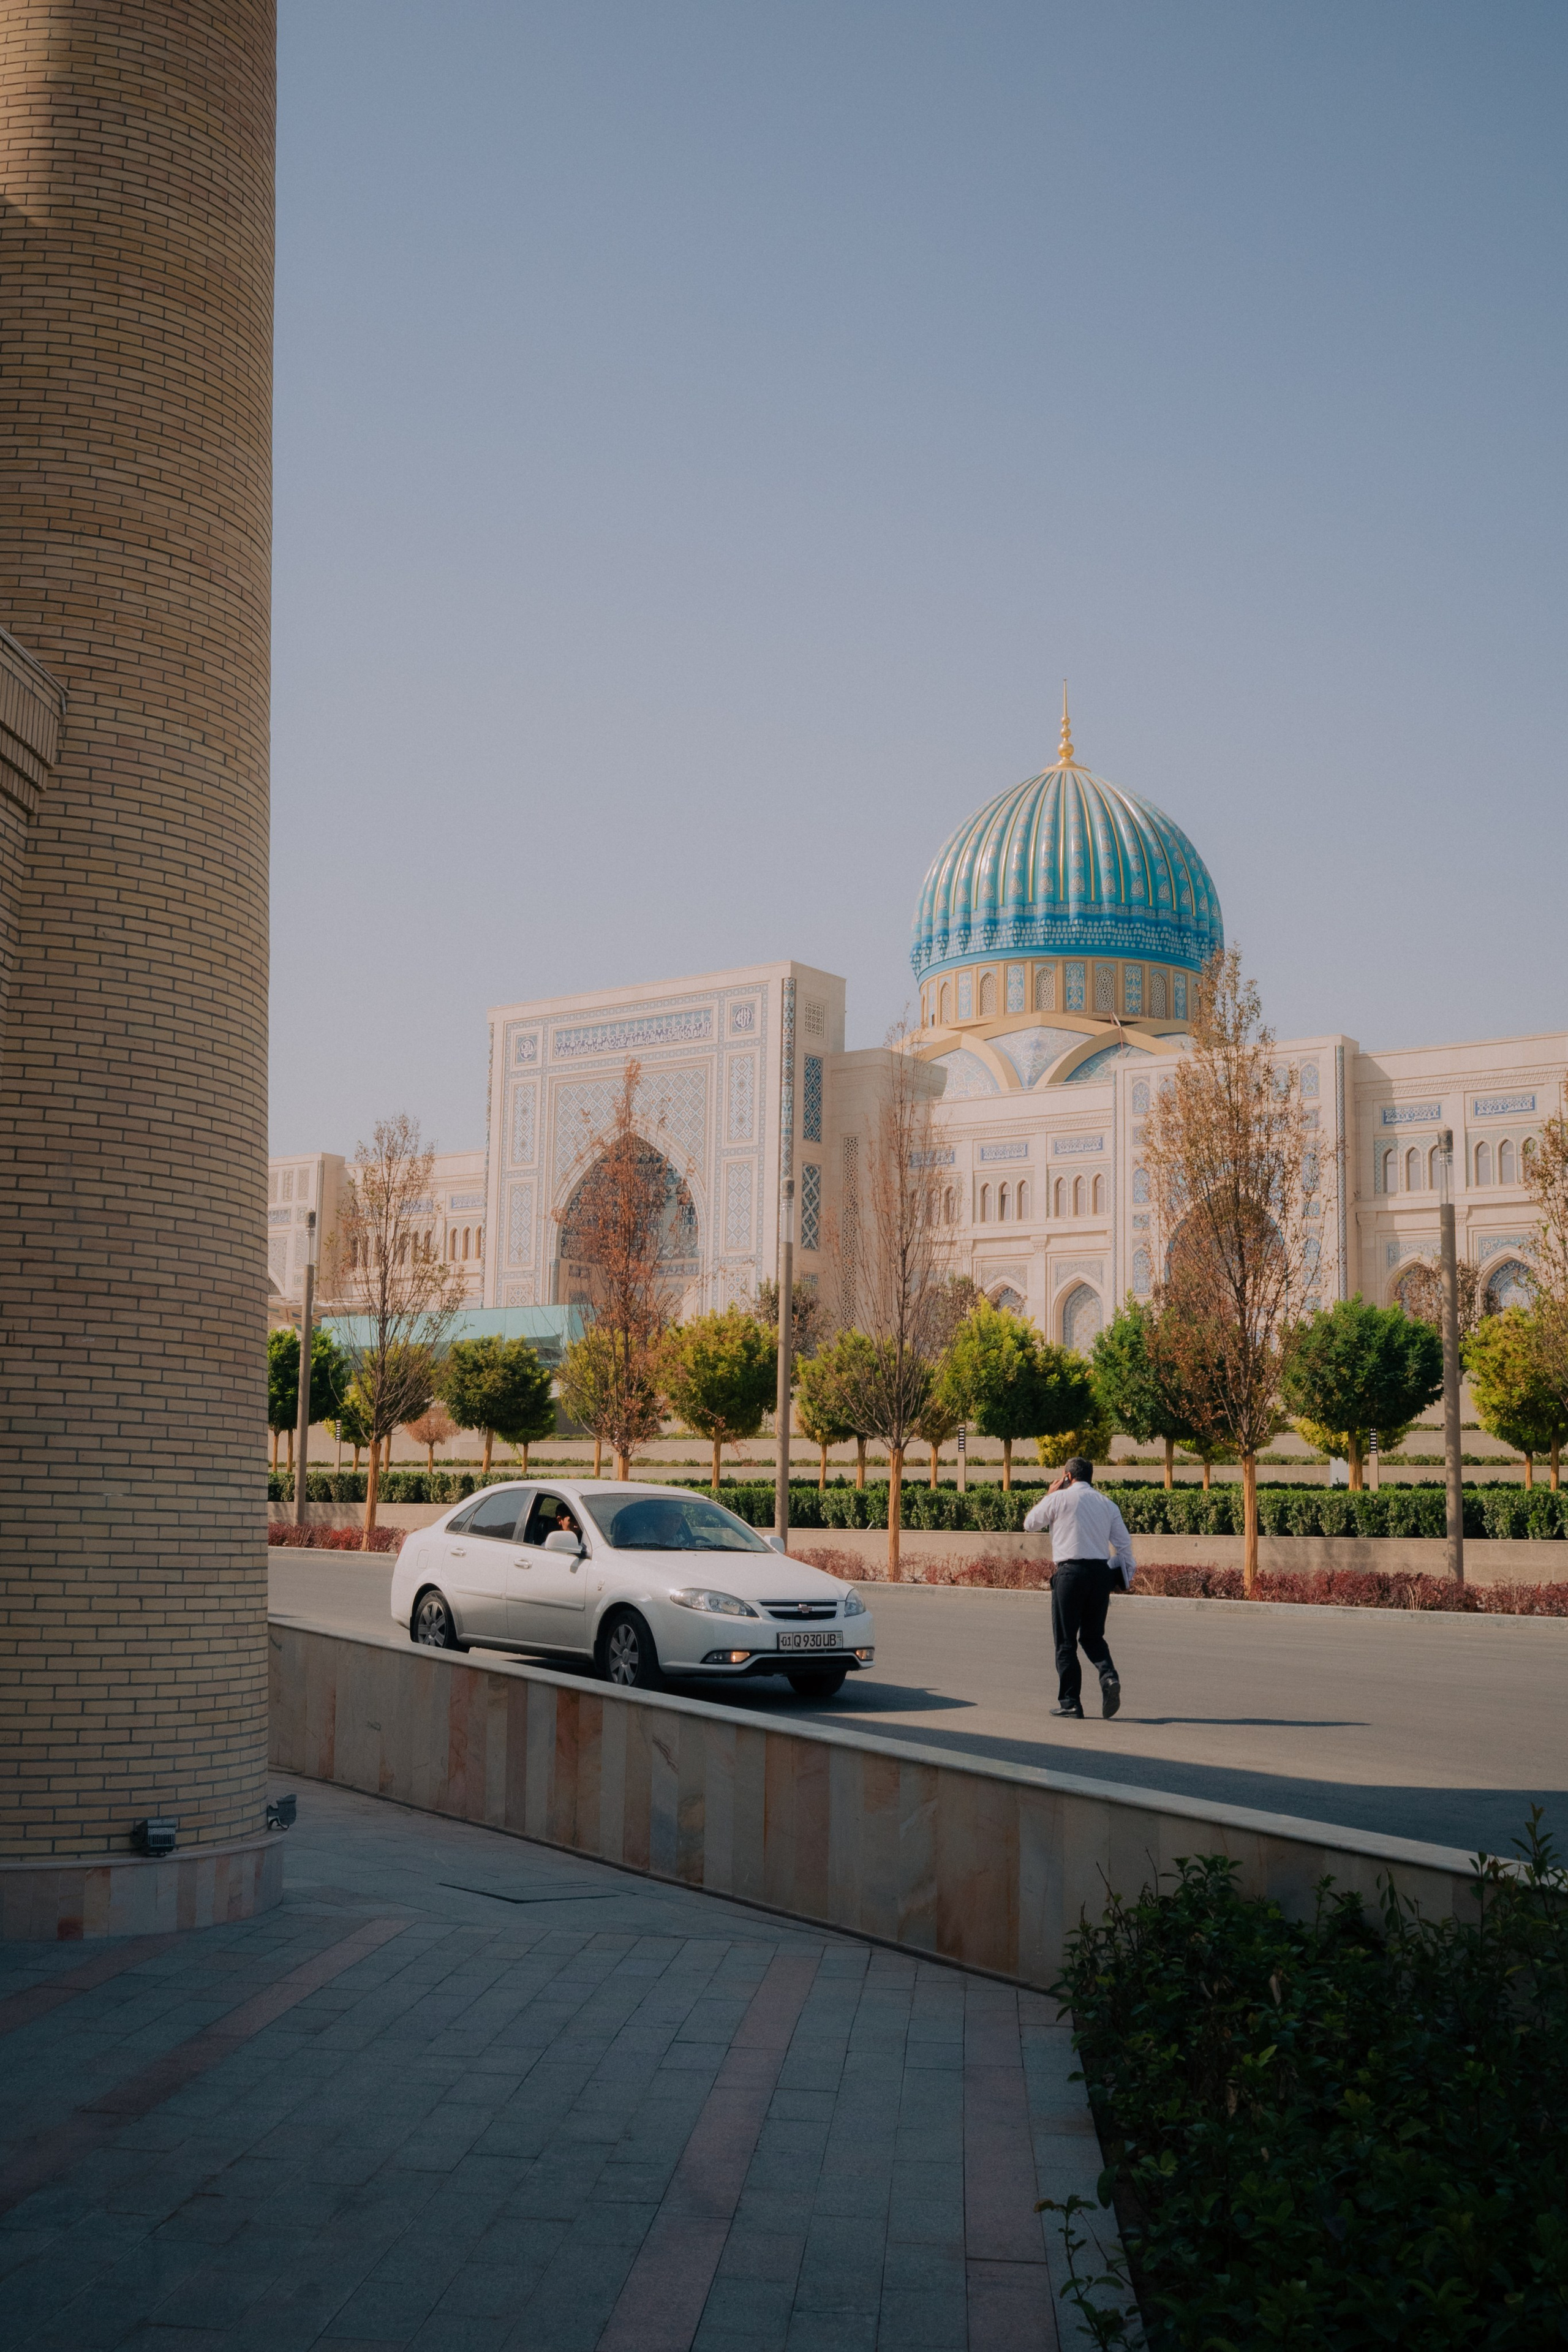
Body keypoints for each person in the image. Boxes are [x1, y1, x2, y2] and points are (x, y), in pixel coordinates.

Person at [1023, 1456, 1134, 1720]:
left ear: (1068, 1477)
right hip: (1100, 1574)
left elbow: (1030, 1524)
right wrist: (1125, 1578)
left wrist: (1049, 1495)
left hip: (1070, 1574)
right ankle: (1109, 1676)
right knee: (1093, 1637)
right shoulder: (1107, 1504)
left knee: (1066, 1642)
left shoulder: (1058, 1499)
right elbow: (1124, 1546)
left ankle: (1071, 1702)